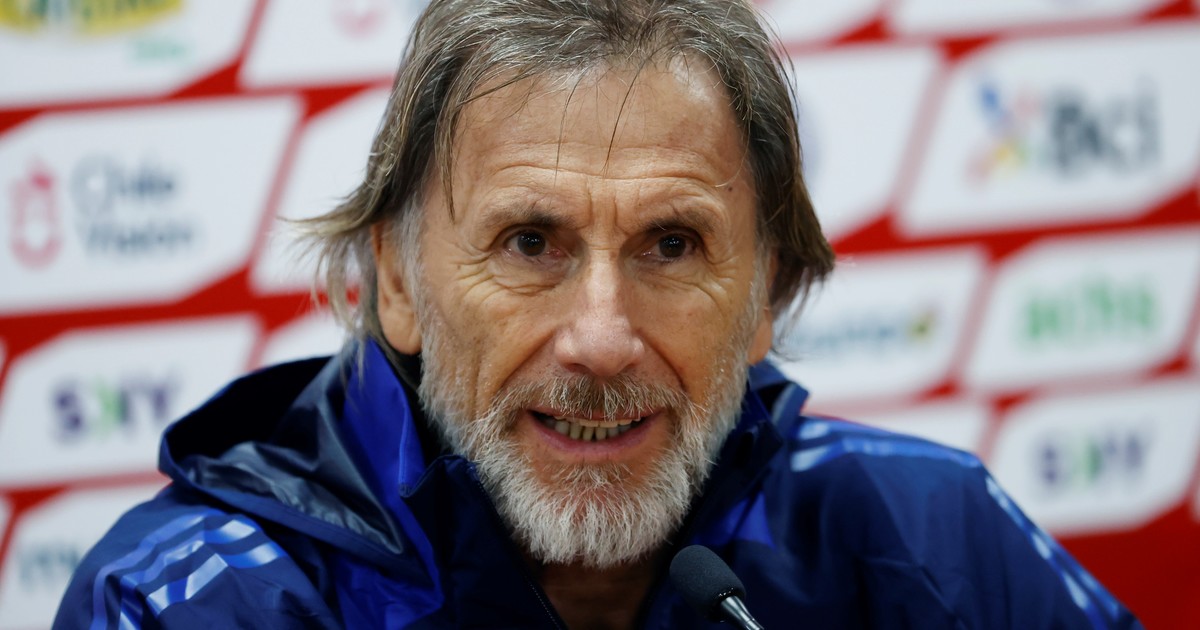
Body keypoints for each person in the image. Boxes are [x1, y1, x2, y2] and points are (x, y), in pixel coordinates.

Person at [55, 0, 1141, 628]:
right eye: (531, 243)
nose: (602, 338)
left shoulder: (929, 533)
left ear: (764, 293)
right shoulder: (197, 605)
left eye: (672, 245)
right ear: (398, 282)